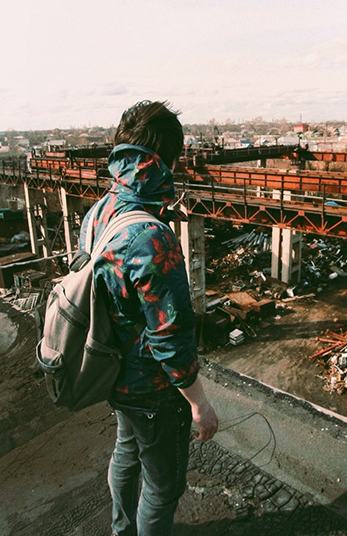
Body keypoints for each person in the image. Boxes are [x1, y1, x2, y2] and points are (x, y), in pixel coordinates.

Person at [79, 100, 218, 536]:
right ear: (166, 161)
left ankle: (122, 530)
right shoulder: (153, 236)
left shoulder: (99, 211)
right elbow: (170, 335)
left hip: (112, 371)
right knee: (162, 486)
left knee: (125, 449)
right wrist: (199, 403)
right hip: (152, 389)